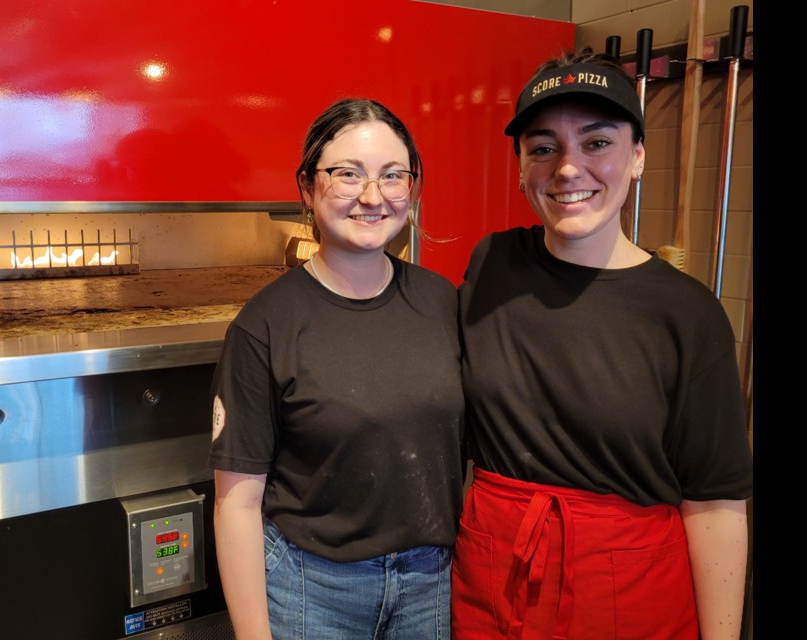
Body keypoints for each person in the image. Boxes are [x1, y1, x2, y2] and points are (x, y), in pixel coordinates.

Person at [452, 49, 753, 640]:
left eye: (596, 143)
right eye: (543, 147)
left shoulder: (688, 313)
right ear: (520, 166)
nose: (567, 169)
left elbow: (715, 504)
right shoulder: (490, 265)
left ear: (637, 156)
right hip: (495, 580)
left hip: (631, 591)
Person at [209, 98, 465, 640]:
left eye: (393, 176)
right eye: (347, 174)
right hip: (313, 588)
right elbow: (238, 503)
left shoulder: (442, 302)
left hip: (431, 583)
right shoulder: (266, 324)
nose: (373, 197)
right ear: (307, 186)